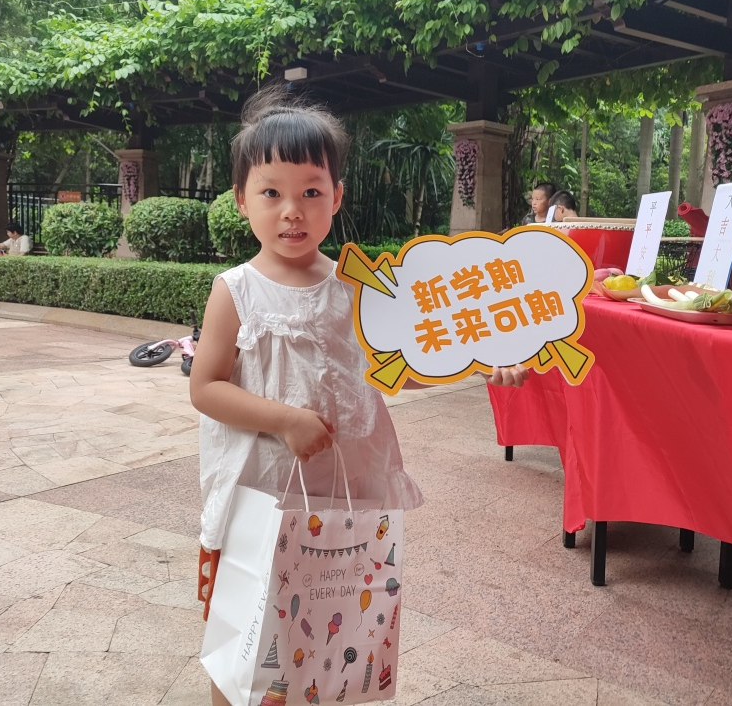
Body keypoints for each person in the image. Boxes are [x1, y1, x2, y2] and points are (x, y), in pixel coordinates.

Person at [189, 85, 529, 706]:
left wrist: (479, 363)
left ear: (337, 197)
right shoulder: (234, 290)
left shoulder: (359, 287)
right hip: (260, 489)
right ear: (241, 200)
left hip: (344, 490)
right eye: (271, 193)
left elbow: (400, 366)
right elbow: (206, 387)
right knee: (243, 635)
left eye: (310, 192)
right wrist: (283, 419)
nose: (292, 211)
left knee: (325, 624)